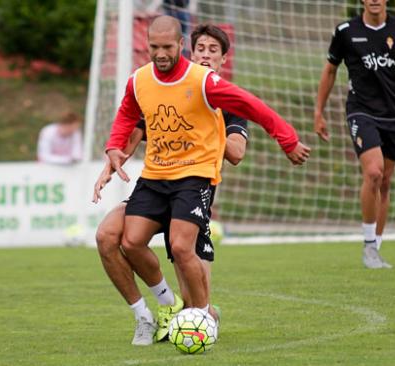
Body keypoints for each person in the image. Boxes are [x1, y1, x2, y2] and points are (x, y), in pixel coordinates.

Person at [105, 15, 310, 343]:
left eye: (167, 47)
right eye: (154, 47)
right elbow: (129, 113)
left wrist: (286, 138)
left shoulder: (204, 83)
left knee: (182, 247)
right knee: (128, 240)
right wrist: (114, 148)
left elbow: (252, 107)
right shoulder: (139, 80)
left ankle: (201, 320)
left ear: (179, 45)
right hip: (156, 177)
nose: (160, 53)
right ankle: (170, 306)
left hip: (194, 177)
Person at [92, 24, 248, 346]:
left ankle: (205, 316)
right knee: (108, 235)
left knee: (194, 297)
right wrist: (112, 162)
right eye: (200, 49)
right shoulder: (168, 88)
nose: (205, 54)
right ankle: (152, 313)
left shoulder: (226, 100)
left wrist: (208, 117)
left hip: (192, 193)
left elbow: (236, 153)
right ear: (188, 51)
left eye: (213, 50)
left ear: (222, 60)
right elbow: (135, 131)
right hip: (156, 184)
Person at [314, 0, 395, 269]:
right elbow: (329, 71)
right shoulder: (345, 31)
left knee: (385, 182)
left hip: (393, 116)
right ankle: (369, 247)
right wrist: (318, 112)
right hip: (360, 111)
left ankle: (376, 248)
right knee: (373, 172)